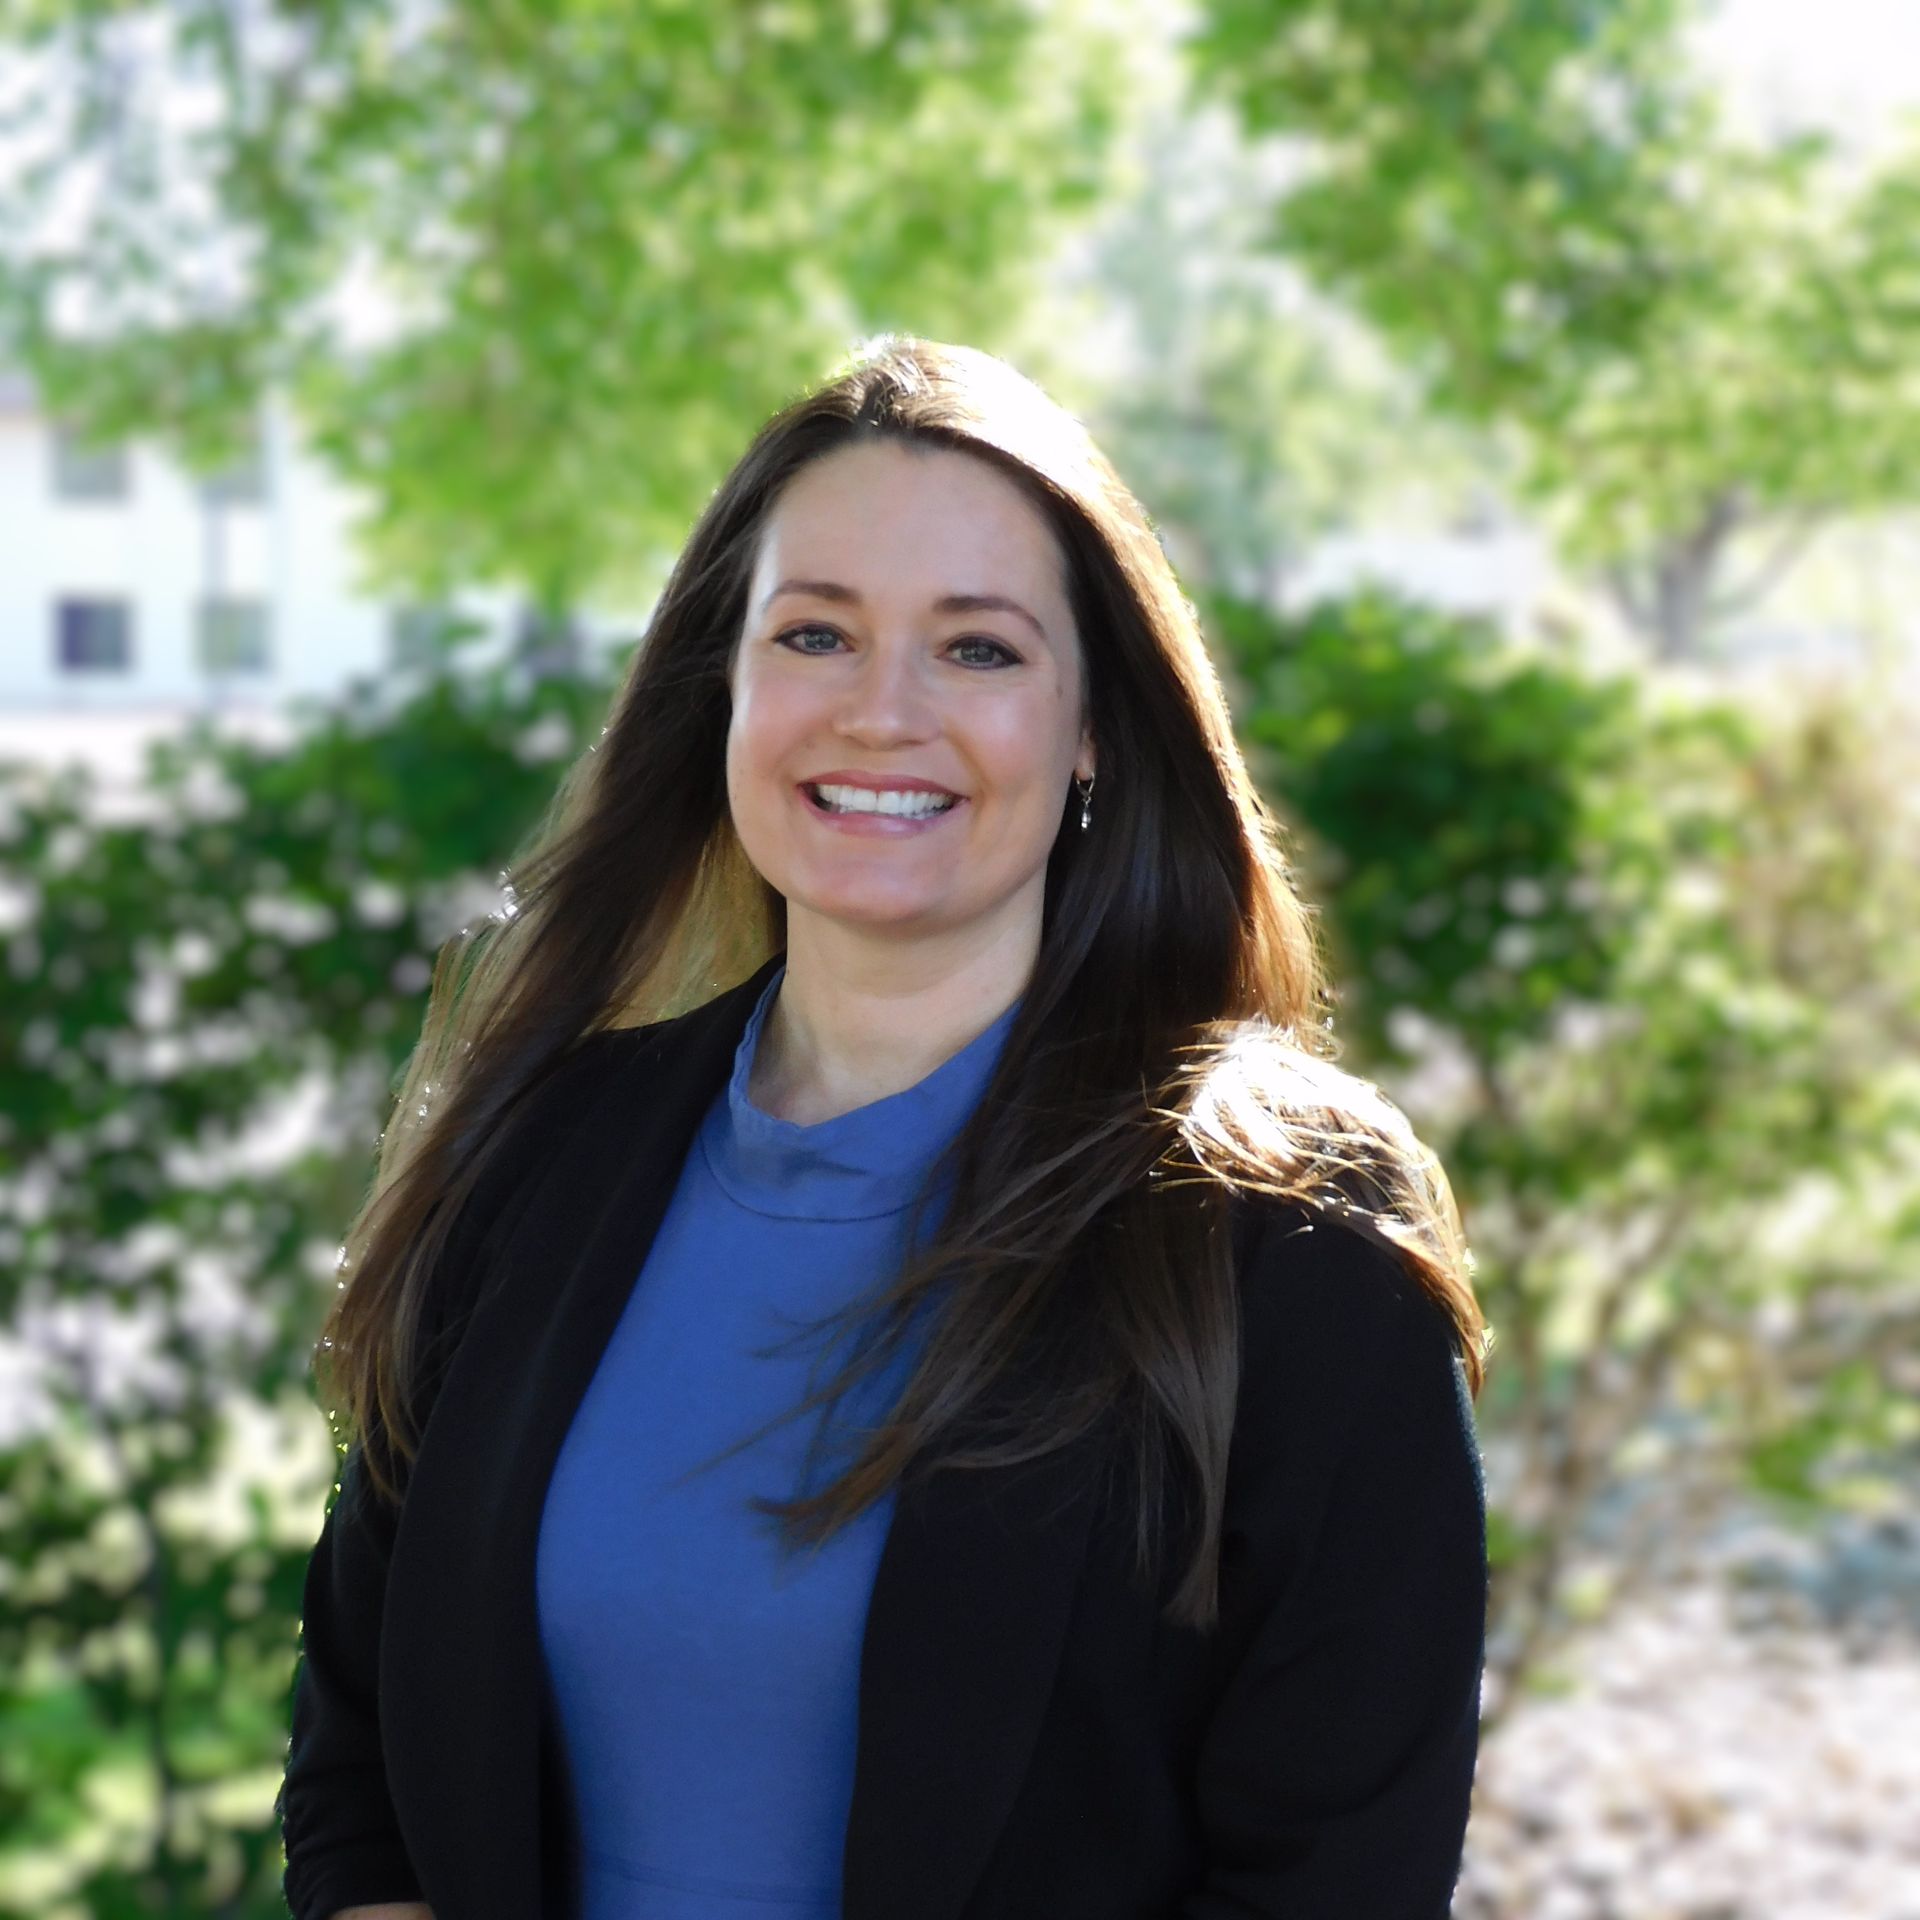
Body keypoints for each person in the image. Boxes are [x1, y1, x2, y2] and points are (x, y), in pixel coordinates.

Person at [276, 335, 1491, 1920]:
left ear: (1094, 730)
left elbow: (1333, 1880)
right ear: (729, 687)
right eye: (815, 635)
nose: (880, 713)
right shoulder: (546, 1152)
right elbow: (362, 1755)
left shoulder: (1285, 1236)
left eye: (978, 651)